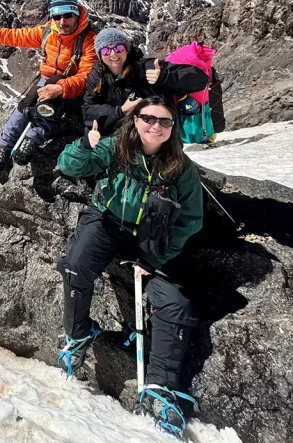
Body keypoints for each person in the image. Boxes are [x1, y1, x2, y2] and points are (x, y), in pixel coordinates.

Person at [55, 95, 204, 436]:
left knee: (174, 304)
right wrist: (85, 144)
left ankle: (160, 387)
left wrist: (155, 259)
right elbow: (69, 166)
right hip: (106, 222)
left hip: (151, 239)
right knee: (76, 266)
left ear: (173, 127)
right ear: (135, 120)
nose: (155, 126)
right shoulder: (115, 147)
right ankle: (77, 335)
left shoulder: (181, 168)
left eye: (164, 121)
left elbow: (190, 220)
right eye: (148, 118)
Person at [0, 0, 96, 171]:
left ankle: (32, 139)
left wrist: (61, 88)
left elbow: (86, 76)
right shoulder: (47, 32)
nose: (62, 22)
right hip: (47, 81)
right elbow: (15, 36)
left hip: (73, 89)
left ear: (77, 14)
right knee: (25, 104)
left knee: (49, 106)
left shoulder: (88, 40)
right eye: (57, 16)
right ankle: (4, 145)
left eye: (68, 15)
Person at [83, 27, 211, 136]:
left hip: (158, 137)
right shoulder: (96, 77)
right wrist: (120, 110)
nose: (113, 54)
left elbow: (200, 79)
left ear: (126, 49)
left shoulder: (146, 68)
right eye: (105, 50)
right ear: (100, 55)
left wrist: (165, 77)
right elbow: (88, 112)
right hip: (119, 137)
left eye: (119, 48)